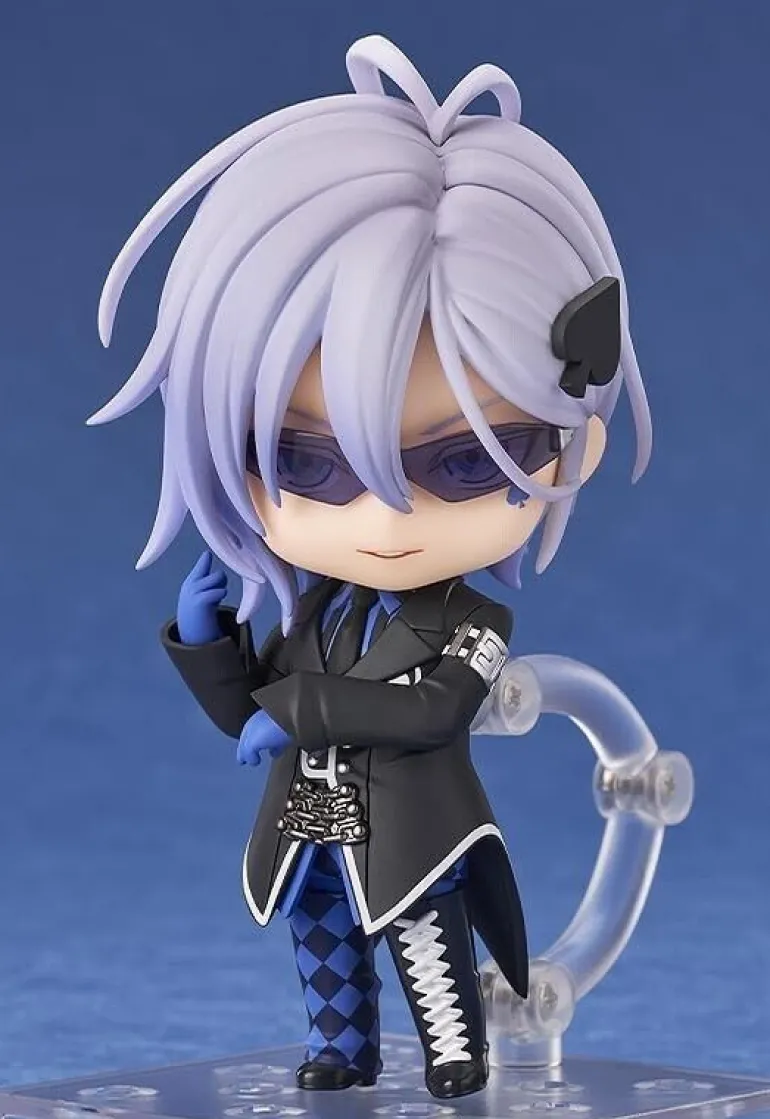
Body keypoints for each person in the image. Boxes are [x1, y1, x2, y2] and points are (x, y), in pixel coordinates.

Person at [89, 34, 651, 1100]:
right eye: (306, 463)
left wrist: (290, 709)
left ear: (569, 446)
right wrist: (210, 645)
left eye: (464, 461)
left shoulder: (471, 622)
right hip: (308, 829)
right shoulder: (316, 609)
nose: (388, 515)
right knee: (322, 947)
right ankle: (341, 1050)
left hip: (416, 834)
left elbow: (429, 712)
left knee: (428, 948)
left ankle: (453, 1056)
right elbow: (250, 714)